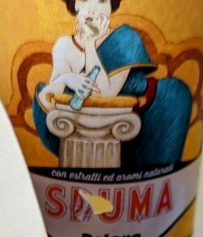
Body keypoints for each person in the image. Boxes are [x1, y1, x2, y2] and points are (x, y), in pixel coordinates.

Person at [32, 0, 193, 166]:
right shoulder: (64, 45)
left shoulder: (125, 39)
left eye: (102, 0)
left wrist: (90, 44)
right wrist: (66, 78)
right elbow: (51, 100)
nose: (93, 9)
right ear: (75, 4)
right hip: (98, 124)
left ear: (111, 6)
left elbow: (104, 94)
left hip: (157, 108)